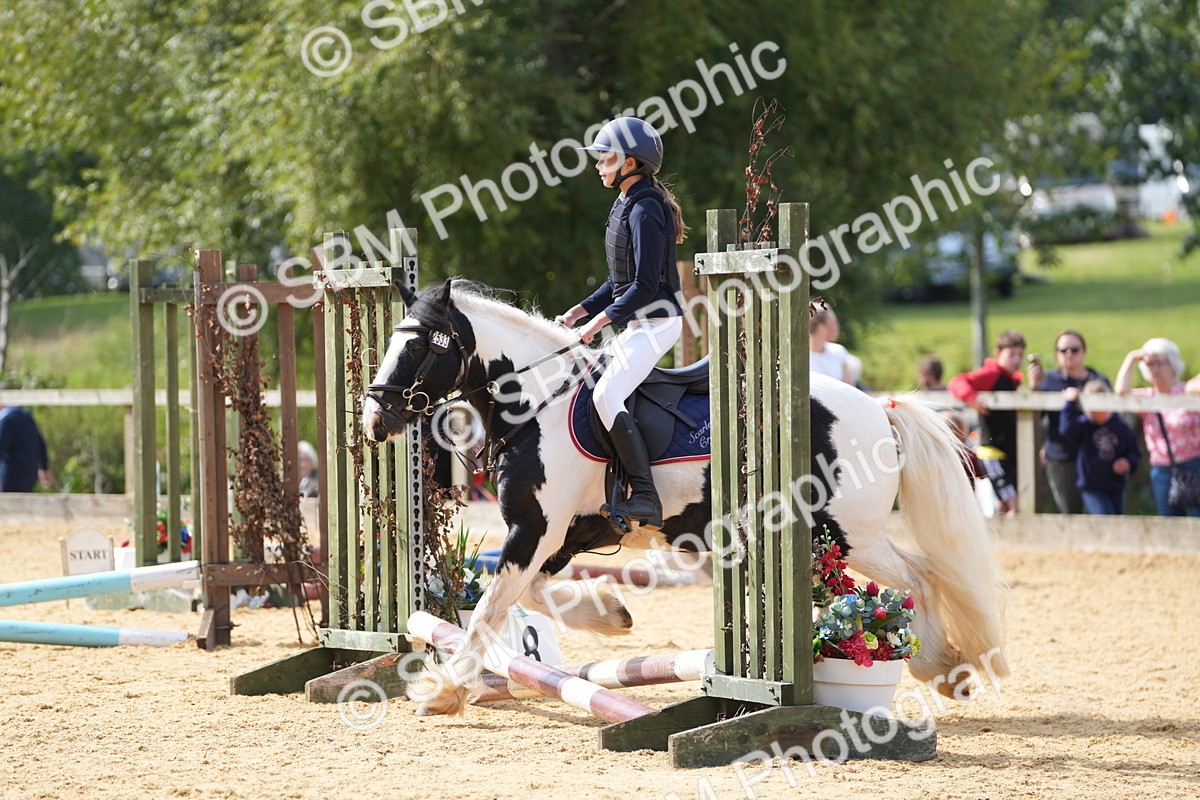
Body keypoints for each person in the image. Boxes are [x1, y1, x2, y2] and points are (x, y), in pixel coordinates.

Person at [555, 117, 685, 530]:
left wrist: (594, 326)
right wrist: (578, 311)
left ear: (630, 162)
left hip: (658, 323)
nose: (598, 165)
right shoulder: (627, 201)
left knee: (606, 397)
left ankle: (646, 496)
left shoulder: (646, 208)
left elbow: (645, 287)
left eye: (605, 158)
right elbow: (619, 281)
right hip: (637, 324)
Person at [1026, 329, 1111, 514]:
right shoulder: (1048, 381)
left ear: (1084, 352)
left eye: (1074, 349)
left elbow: (1111, 419)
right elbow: (1036, 419)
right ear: (1056, 353)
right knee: (1070, 516)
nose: (1069, 354)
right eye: (1063, 350)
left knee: (1103, 514)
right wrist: (1035, 390)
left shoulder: (1098, 380)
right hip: (1062, 458)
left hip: (1097, 456)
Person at [1115, 338, 1200, 516]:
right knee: (1169, 525)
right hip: (1161, 470)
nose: (1155, 369)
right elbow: (1121, 393)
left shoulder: (1188, 391)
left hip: (1194, 466)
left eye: (1160, 363)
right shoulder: (1147, 397)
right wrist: (1131, 359)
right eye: (1150, 364)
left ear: (1172, 364)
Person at [947, 330, 1027, 516]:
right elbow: (957, 381)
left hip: (1007, 450)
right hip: (992, 451)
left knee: (1004, 502)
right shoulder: (992, 374)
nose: (1017, 360)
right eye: (1011, 354)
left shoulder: (1012, 381)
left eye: (1020, 355)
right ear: (998, 354)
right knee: (1013, 502)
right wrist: (971, 397)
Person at [1058, 381, 1139, 515]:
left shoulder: (1120, 426)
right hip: (1091, 486)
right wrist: (1070, 403)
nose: (1097, 412)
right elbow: (1066, 429)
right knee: (1105, 517)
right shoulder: (1085, 424)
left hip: (1115, 485)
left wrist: (1127, 462)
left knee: (1117, 524)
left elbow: (1134, 452)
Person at [0, 404, 51, 492]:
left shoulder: (7, 421)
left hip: (10, 476)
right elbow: (40, 444)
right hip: (29, 476)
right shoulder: (28, 418)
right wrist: (44, 467)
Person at [809, 308, 853, 384]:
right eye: (834, 322)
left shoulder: (838, 351)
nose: (838, 326)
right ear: (820, 327)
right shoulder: (801, 357)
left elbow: (850, 388)